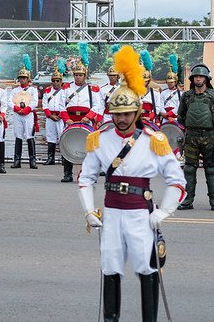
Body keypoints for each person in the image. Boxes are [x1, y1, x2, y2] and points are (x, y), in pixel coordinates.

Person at [78, 45, 185, 322]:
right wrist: (89, 211)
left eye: (126, 113)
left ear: (136, 112)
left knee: (147, 270)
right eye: (116, 113)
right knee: (110, 269)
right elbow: (86, 178)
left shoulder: (154, 141)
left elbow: (176, 180)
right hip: (111, 214)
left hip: (141, 214)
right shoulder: (99, 139)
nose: (121, 119)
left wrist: (164, 211)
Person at [58, 57, 102, 182]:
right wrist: (67, 119)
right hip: (70, 120)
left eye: (81, 75)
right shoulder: (66, 88)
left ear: (85, 76)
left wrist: (88, 117)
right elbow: (62, 105)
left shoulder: (91, 89)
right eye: (76, 75)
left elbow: (96, 105)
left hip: (85, 121)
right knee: (66, 145)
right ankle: (67, 174)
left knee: (89, 148)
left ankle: (88, 175)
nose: (78, 77)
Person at [177, 64, 214, 210]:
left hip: (210, 137)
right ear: (192, 79)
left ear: (206, 79)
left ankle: (213, 200)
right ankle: (187, 200)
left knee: (211, 170)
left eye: (201, 76)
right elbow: (181, 116)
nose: (198, 79)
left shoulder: (212, 96)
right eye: (196, 77)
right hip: (191, 136)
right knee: (189, 169)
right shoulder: (186, 96)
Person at [8, 56, 39, 169]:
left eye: (24, 78)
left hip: (28, 114)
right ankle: (17, 160)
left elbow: (34, 102)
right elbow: (9, 103)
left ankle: (32, 160)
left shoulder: (32, 90)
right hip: (17, 115)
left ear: (28, 79)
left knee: (29, 135)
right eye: (20, 78)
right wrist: (17, 109)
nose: (22, 80)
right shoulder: (15, 90)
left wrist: (26, 110)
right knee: (18, 136)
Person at [42, 60, 68, 165]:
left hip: (61, 117)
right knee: (50, 137)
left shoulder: (65, 91)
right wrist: (50, 115)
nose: (56, 82)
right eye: (54, 80)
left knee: (63, 137)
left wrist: (61, 116)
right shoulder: (47, 91)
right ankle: (50, 158)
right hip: (50, 117)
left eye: (58, 80)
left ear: (61, 81)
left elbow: (67, 106)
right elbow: (44, 105)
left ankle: (64, 158)